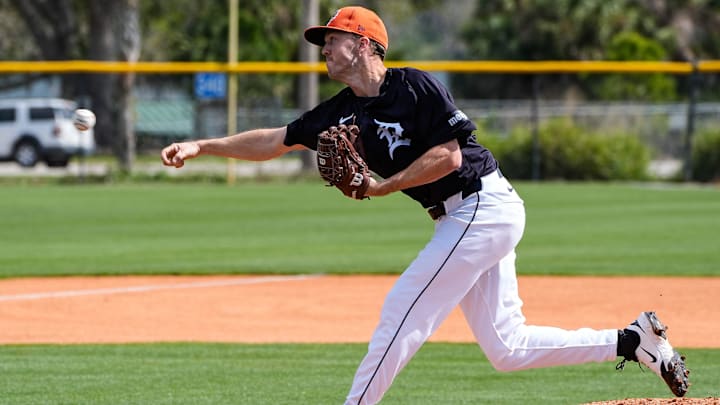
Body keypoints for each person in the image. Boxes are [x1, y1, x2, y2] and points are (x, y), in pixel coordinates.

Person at [161, 6, 689, 404]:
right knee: (506, 348)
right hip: (466, 216)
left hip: (483, 204)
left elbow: (448, 154)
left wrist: (382, 187)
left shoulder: (412, 86)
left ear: (365, 44)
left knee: (402, 308)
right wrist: (202, 147)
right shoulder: (342, 109)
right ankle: (632, 340)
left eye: (332, 38)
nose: (322, 47)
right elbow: (276, 139)